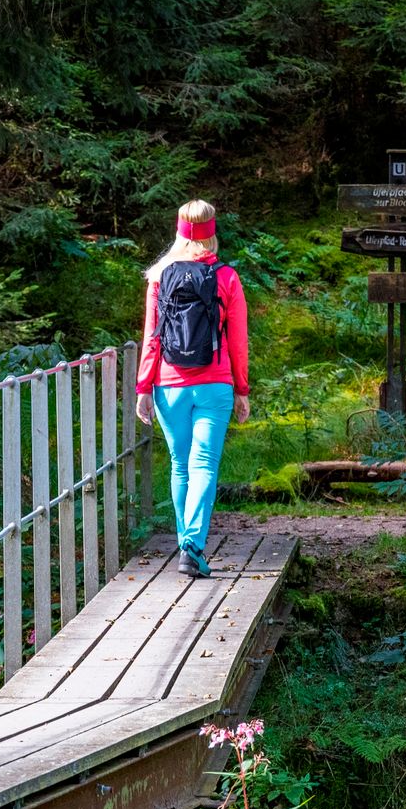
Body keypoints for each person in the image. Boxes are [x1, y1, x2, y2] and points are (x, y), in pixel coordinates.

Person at [135, 199, 250, 578]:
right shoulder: (227, 278)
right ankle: (192, 547)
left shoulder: (159, 278)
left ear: (180, 231)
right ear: (212, 232)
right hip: (214, 384)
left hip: (169, 386)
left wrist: (143, 387)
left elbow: (152, 338)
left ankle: (187, 545)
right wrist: (242, 390)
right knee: (204, 465)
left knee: (181, 464)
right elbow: (237, 341)